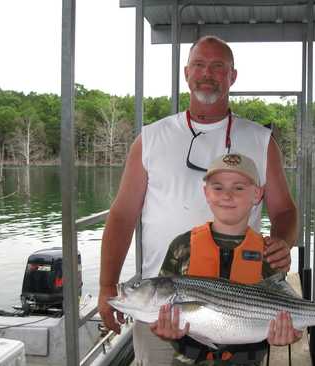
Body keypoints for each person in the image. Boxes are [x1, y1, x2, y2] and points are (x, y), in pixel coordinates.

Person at [98, 35, 298, 365]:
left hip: (240, 311)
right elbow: (121, 216)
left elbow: (285, 210)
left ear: (232, 77)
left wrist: (283, 241)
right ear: (187, 73)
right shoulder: (150, 138)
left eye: (218, 67)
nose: (208, 73)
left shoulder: (261, 140)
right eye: (200, 65)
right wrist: (107, 285)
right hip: (160, 311)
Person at [151, 152, 302, 365]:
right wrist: (165, 330)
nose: (227, 195)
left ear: (257, 194)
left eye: (239, 188)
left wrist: (288, 333)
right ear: (206, 193)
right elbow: (162, 308)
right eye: (218, 187)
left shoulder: (268, 252)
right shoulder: (181, 247)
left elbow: (284, 304)